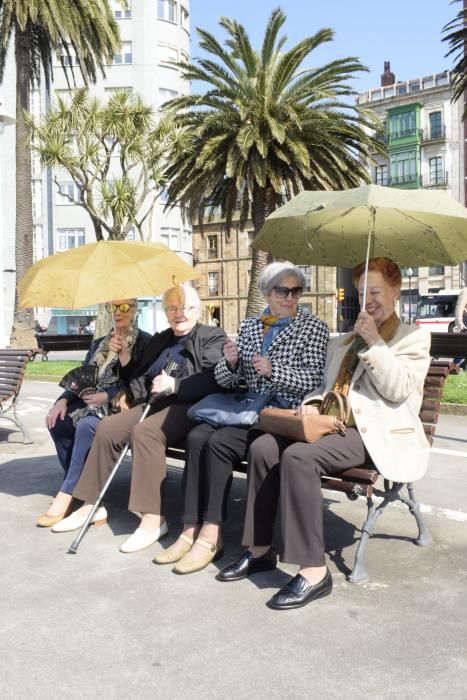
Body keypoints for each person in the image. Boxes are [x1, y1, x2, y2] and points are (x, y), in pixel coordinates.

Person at [217, 257, 431, 610]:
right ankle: (259, 549)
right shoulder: (346, 339)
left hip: (371, 432)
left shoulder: (412, 338)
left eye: (375, 292)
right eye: (361, 293)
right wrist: (313, 403)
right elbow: (324, 385)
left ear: (395, 291)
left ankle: (314, 570)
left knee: (299, 456)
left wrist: (375, 342)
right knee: (264, 446)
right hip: (330, 424)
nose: (368, 301)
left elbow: (398, 388)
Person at [154, 262, 329, 574]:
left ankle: (211, 534)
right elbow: (227, 381)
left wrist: (276, 370)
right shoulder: (250, 326)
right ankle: (190, 527)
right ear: (266, 293)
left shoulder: (312, 327)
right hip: (246, 408)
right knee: (196, 437)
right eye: (282, 290)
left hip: (279, 414)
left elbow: (315, 381)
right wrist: (231, 363)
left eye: (296, 291)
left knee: (219, 442)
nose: (290, 297)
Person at [51, 285, 227, 553]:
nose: (179, 314)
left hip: (190, 405)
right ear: (165, 312)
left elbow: (214, 379)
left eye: (185, 308)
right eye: (172, 308)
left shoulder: (212, 336)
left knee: (145, 433)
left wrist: (175, 385)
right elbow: (137, 376)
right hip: (154, 403)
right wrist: (124, 357)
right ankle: (90, 504)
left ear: (197, 309)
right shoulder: (161, 339)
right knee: (108, 427)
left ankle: (153, 519)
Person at [38, 299, 151, 527]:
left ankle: (68, 491)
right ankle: (78, 485)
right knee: (58, 421)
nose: (119, 312)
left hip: (120, 405)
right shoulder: (99, 343)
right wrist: (61, 401)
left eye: (125, 307)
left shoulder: (145, 342)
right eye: (114, 307)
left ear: (135, 310)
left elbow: (140, 385)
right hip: (90, 402)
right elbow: (82, 378)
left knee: (86, 425)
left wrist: (109, 393)